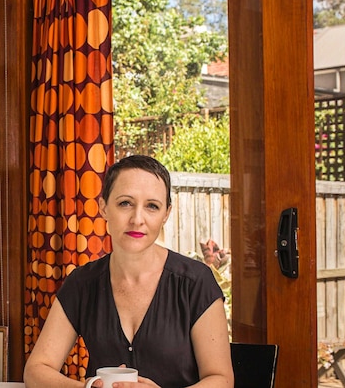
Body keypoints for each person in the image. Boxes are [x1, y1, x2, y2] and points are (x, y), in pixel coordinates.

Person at [24, 155, 233, 388]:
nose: (137, 219)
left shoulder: (196, 283)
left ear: (166, 214)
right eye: (125, 203)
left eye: (152, 206)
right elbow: (36, 371)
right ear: (103, 208)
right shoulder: (82, 283)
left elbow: (221, 380)